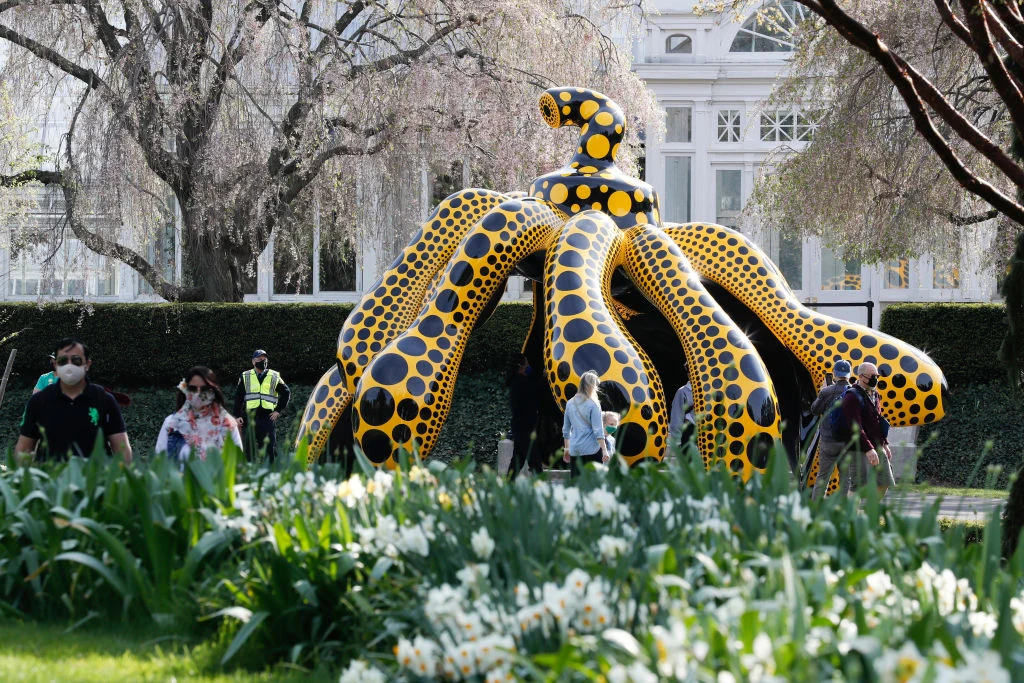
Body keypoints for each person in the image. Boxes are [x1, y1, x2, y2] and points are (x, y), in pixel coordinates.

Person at [16, 338, 132, 464]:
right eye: (63, 360)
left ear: (87, 364)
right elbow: (24, 450)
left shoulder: (104, 400)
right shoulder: (39, 401)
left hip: (95, 478)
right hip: (50, 479)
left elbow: (122, 449)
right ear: (55, 364)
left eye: (76, 360)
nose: (69, 365)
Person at [156, 367, 242, 470]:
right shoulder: (172, 424)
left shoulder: (227, 424)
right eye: (193, 388)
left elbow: (238, 464)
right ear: (186, 390)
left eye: (204, 389)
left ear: (213, 390)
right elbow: (160, 463)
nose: (198, 393)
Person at [843, 361, 895, 497]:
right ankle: (851, 517)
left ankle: (868, 515)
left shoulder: (876, 394)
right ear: (860, 376)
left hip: (878, 445)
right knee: (857, 486)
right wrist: (868, 449)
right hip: (859, 447)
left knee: (885, 481)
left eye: (877, 376)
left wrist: (885, 443)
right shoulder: (851, 396)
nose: (875, 379)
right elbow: (855, 427)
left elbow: (877, 421)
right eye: (871, 376)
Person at [234, 349, 290, 463]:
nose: (263, 361)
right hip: (249, 418)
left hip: (267, 418)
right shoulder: (245, 376)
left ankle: (270, 475)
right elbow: (238, 396)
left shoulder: (274, 376)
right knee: (248, 450)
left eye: (265, 359)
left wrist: (278, 410)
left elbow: (286, 392)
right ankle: (250, 475)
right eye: (260, 359)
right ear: (253, 362)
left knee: (269, 449)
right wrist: (237, 415)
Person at [809, 359, 853, 499]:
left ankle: (816, 511)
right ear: (849, 374)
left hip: (828, 441)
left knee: (822, 478)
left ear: (834, 373)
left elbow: (814, 410)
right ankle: (844, 510)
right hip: (847, 443)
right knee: (846, 478)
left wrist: (822, 392)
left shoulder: (826, 392)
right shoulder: (856, 392)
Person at [561, 371, 609, 478]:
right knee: (594, 486)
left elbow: (566, 430)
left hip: (575, 449)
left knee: (577, 486)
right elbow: (598, 430)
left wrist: (567, 449)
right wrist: (605, 450)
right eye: (595, 385)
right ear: (590, 386)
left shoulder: (569, 403)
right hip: (591, 449)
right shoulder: (593, 404)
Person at [507, 353, 542, 479]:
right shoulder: (522, 383)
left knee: (518, 460)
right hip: (524, 428)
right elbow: (536, 395)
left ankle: (507, 486)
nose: (529, 366)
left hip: (520, 427)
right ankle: (542, 490)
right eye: (527, 364)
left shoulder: (515, 382)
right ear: (521, 366)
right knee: (535, 461)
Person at [668, 381, 696, 455]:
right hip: (690, 429)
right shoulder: (682, 391)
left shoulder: (710, 389)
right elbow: (676, 416)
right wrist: (677, 441)